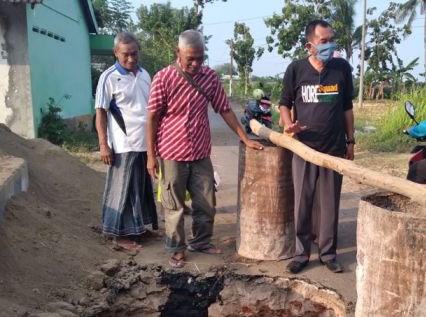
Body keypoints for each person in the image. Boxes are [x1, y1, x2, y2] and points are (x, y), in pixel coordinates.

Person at [146, 30, 262, 269]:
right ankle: (176, 248)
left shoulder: (210, 77)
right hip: (171, 154)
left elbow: (225, 110)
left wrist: (245, 137)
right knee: (174, 205)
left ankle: (200, 241)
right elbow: (152, 118)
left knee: (206, 203)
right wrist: (151, 155)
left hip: (200, 154)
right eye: (190, 58)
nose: (196, 63)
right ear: (178, 53)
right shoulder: (163, 78)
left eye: (200, 58)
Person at [279, 19, 355, 274]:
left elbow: (347, 108)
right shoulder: (296, 69)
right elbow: (284, 103)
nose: (330, 45)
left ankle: (328, 253)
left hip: (334, 148)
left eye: (332, 40)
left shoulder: (341, 69)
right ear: (309, 46)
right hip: (304, 149)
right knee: (302, 203)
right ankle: (301, 254)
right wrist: (289, 125)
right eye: (324, 41)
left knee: (329, 205)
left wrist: (351, 141)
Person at [95, 32, 158, 252]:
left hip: (144, 143)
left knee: (141, 188)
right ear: (115, 53)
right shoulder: (109, 77)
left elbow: (149, 110)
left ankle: (138, 228)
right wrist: (104, 144)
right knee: (121, 190)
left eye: (134, 53)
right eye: (125, 55)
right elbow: (101, 113)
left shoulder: (145, 75)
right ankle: (117, 234)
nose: (131, 59)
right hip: (122, 144)